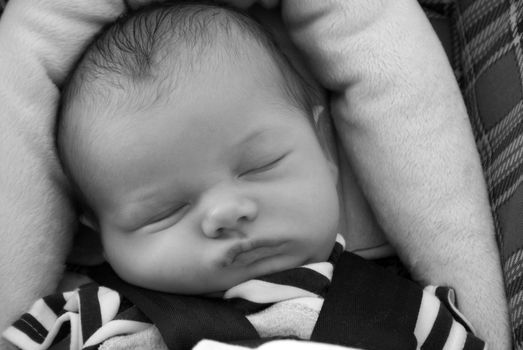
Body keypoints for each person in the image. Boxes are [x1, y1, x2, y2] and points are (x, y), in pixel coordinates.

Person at [0, 0, 510, 348]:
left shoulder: (420, 317)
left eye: (261, 166)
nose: (225, 213)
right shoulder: (83, 317)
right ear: (96, 237)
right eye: (163, 211)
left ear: (325, 151)